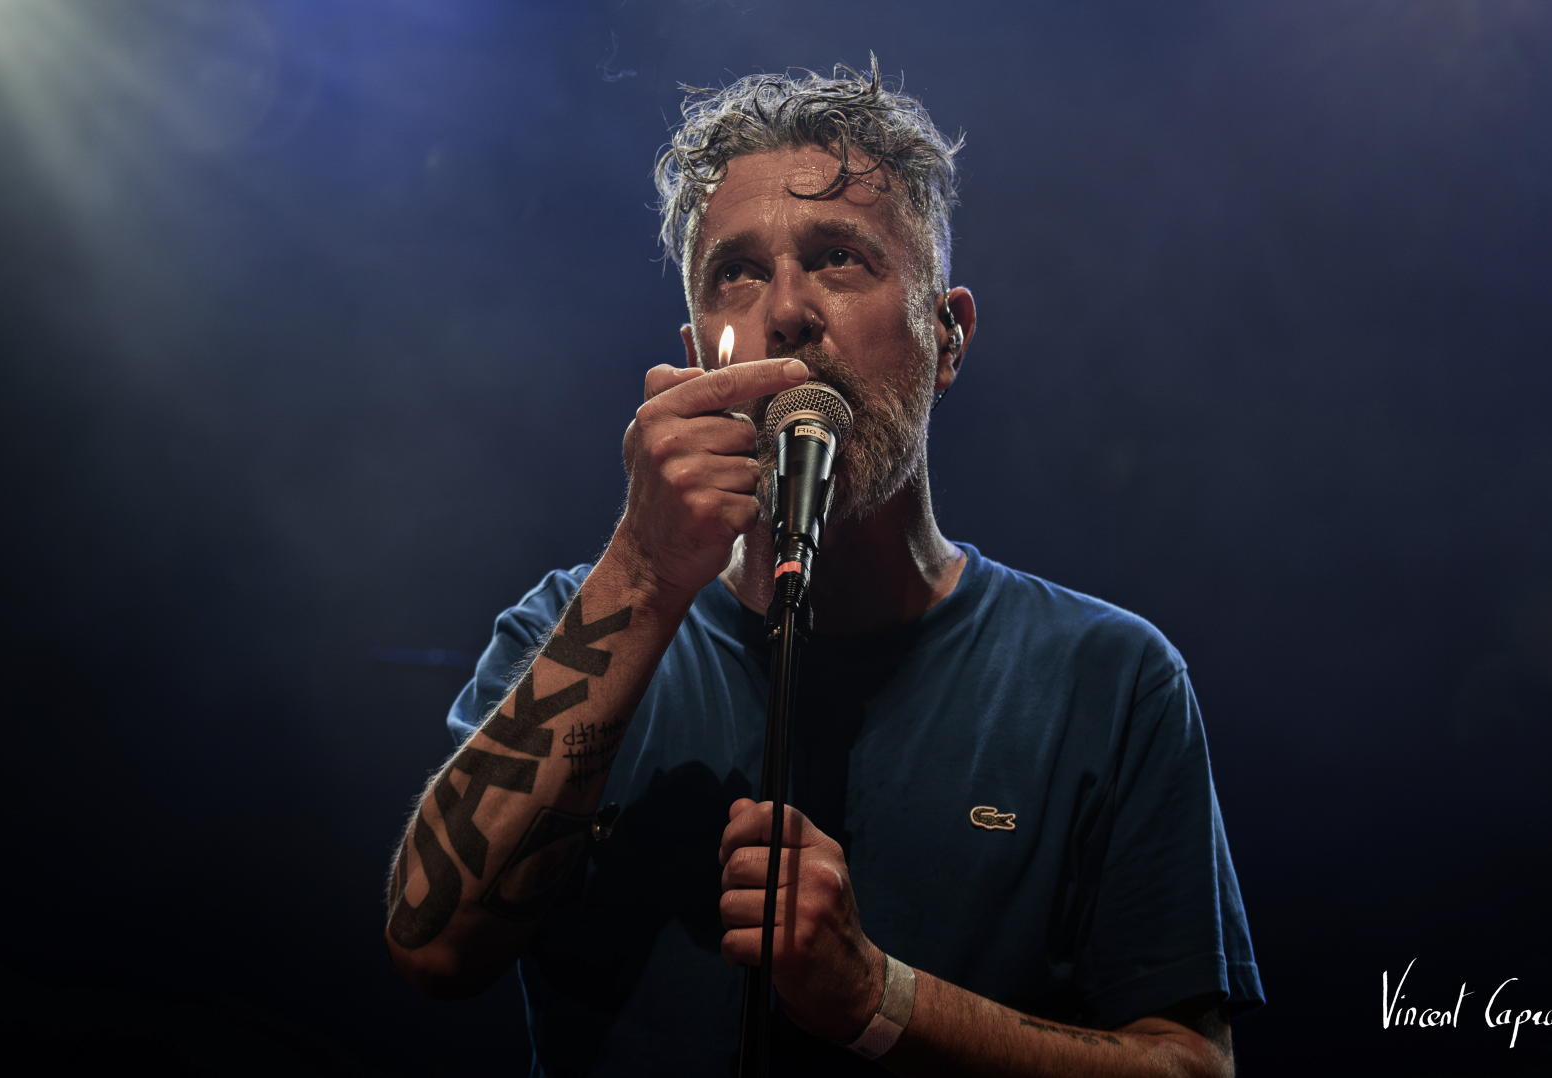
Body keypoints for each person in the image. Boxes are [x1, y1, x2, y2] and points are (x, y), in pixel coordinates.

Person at [385, 60, 1263, 1077]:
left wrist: (878, 1000)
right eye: (736, 272)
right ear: (699, 356)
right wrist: (644, 571)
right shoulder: (574, 624)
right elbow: (432, 946)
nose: (788, 310)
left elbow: (1190, 1065)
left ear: (946, 336)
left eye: (839, 257)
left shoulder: (1107, 678)